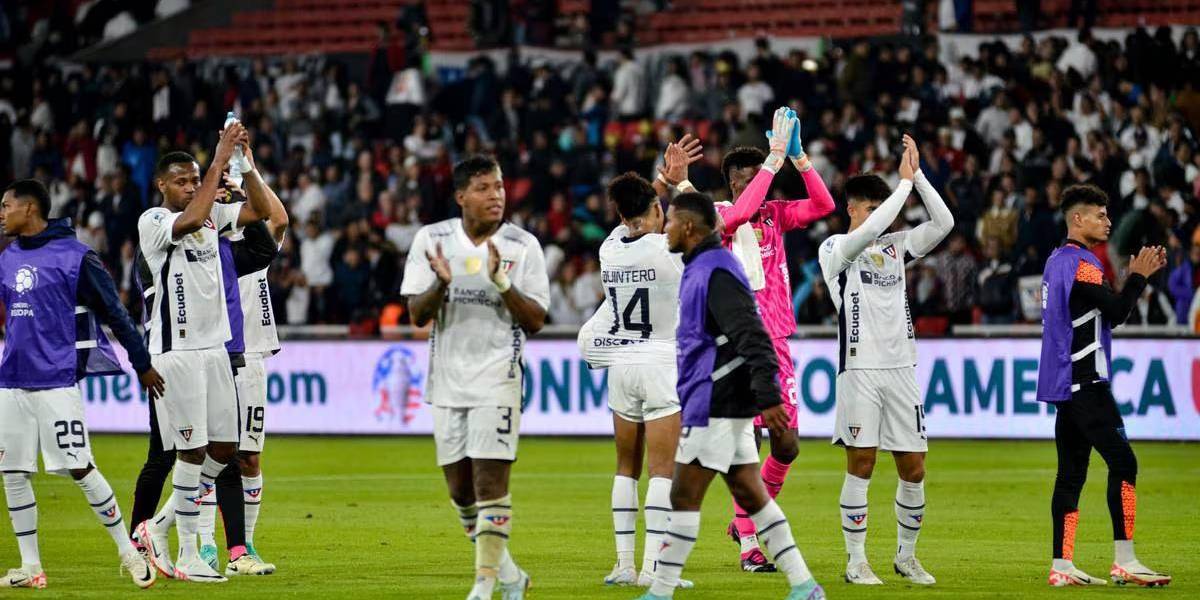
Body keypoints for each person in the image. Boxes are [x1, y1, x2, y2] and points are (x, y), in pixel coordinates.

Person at [636, 191, 823, 600]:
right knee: (752, 495)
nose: (663, 227)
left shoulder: (714, 270)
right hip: (719, 397)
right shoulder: (702, 266)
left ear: (688, 227)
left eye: (668, 221)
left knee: (683, 495)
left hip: (717, 398)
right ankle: (805, 584)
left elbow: (752, 334)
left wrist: (769, 395)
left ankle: (660, 590)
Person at [401, 155, 550, 600]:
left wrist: (502, 282)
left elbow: (538, 320)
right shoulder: (433, 240)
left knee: (489, 484)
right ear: (461, 195)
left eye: (500, 187)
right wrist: (441, 283)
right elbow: (417, 315)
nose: (496, 196)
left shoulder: (523, 245)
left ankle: (484, 585)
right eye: (484, 188)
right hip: (446, 382)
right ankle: (508, 574)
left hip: (499, 378)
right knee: (460, 491)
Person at [0, 179, 160, 590]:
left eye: (6, 205)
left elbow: (114, 311)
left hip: (55, 380)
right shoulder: (6, 257)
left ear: (30, 208)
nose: (1, 213)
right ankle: (30, 566)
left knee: (79, 466)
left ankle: (127, 552)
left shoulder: (75, 257)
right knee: (13, 471)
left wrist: (140, 363)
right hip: (11, 381)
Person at [132, 122, 271, 583]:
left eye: (195, 180)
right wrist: (216, 159)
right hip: (177, 352)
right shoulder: (154, 221)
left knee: (224, 450)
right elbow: (188, 220)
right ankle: (190, 554)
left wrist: (244, 165)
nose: (191, 186)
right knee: (189, 453)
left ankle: (158, 527)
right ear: (162, 185)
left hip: (215, 351)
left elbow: (262, 211)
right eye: (182, 180)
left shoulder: (213, 217)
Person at [817, 135, 952, 585]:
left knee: (914, 467)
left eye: (881, 205)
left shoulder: (895, 246)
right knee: (863, 463)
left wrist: (919, 178)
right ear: (851, 209)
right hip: (859, 369)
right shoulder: (835, 248)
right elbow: (871, 232)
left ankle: (906, 556)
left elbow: (945, 223)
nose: (876, 213)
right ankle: (856, 560)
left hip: (901, 368)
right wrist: (902, 187)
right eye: (867, 206)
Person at [715, 107, 835, 572]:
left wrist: (800, 161)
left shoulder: (775, 215)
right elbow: (741, 211)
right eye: (743, 179)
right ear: (732, 185)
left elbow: (824, 207)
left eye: (758, 177)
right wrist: (772, 161)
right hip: (738, 346)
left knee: (787, 446)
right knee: (748, 448)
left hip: (778, 343)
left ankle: (742, 520)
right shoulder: (723, 212)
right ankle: (749, 540)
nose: (753, 186)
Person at [577, 137, 699, 589]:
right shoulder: (668, 248)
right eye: (658, 208)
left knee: (624, 467)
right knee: (663, 471)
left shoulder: (611, 249)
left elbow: (637, 207)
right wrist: (678, 182)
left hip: (621, 364)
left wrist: (659, 182)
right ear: (654, 212)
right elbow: (704, 222)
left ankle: (623, 564)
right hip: (662, 362)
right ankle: (654, 570)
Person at [1037, 183, 1172, 587]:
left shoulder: (1055, 261)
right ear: (1077, 219)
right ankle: (1125, 561)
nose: (1108, 221)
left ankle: (1062, 567)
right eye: (1099, 214)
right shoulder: (1083, 263)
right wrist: (1137, 277)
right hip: (1088, 383)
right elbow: (1115, 312)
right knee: (1124, 464)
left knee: (1071, 476)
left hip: (1066, 385)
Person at [197, 141, 290, 574]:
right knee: (205, 452)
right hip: (212, 354)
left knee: (248, 456)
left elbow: (280, 217)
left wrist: (246, 169)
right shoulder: (203, 249)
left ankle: (244, 546)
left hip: (250, 355)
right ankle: (202, 544)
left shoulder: (254, 248)